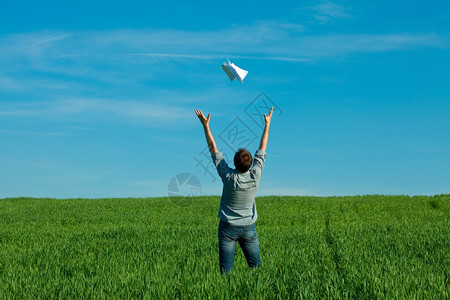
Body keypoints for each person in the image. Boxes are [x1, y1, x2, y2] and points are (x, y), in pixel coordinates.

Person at [195, 107, 273, 274]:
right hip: (248, 228)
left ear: (234, 163)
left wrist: (206, 126)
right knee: (257, 270)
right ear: (251, 163)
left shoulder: (228, 176)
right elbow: (262, 150)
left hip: (227, 228)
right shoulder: (255, 175)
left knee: (226, 273)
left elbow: (213, 149)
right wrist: (267, 125)